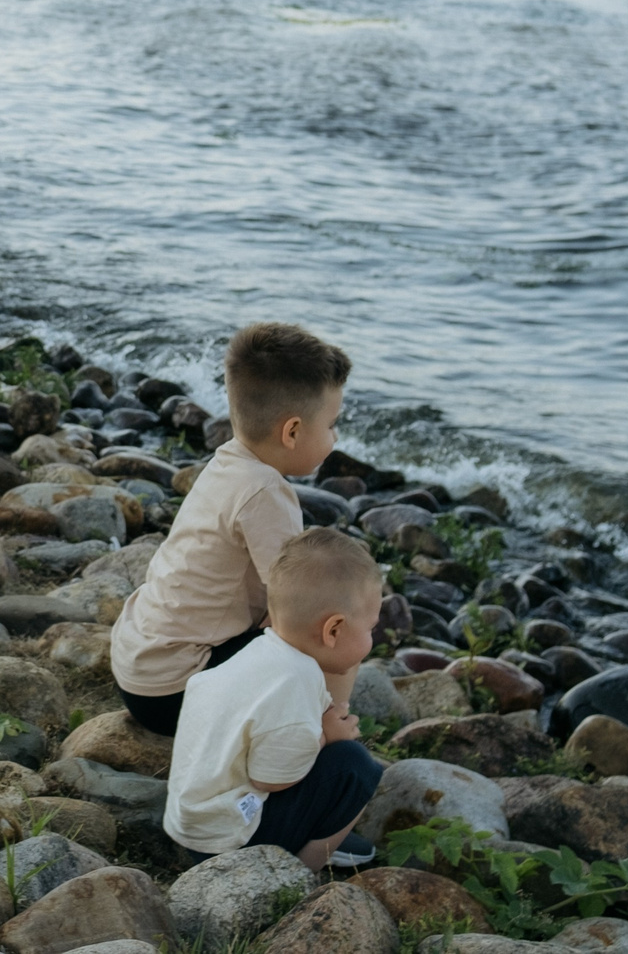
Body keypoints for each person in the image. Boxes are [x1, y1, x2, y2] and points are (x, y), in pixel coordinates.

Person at [111, 322, 351, 737]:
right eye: (331, 424)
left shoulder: (228, 462)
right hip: (175, 691)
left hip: (140, 667)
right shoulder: (265, 492)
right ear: (292, 431)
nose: (335, 436)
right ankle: (328, 724)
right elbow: (294, 610)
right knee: (333, 628)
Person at [163, 526, 385, 869]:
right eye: (370, 628)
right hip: (229, 840)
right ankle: (298, 873)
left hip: (193, 823)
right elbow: (270, 779)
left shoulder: (261, 652)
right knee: (356, 767)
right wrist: (329, 738)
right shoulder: (295, 683)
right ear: (334, 630)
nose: (372, 639)